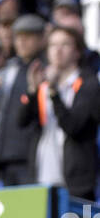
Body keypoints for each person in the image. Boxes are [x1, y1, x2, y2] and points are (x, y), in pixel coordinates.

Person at [18, 25, 100, 199]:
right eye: (53, 45)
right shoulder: (42, 86)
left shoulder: (89, 84)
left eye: (65, 45)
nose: (58, 50)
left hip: (77, 181)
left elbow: (73, 126)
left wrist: (54, 94)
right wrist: (32, 91)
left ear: (77, 52)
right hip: (43, 176)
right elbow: (20, 122)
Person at [0, 14, 46, 186]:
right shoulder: (9, 70)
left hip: (33, 157)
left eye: (28, 37)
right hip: (4, 156)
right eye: (18, 37)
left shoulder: (47, 70)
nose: (22, 42)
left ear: (41, 39)